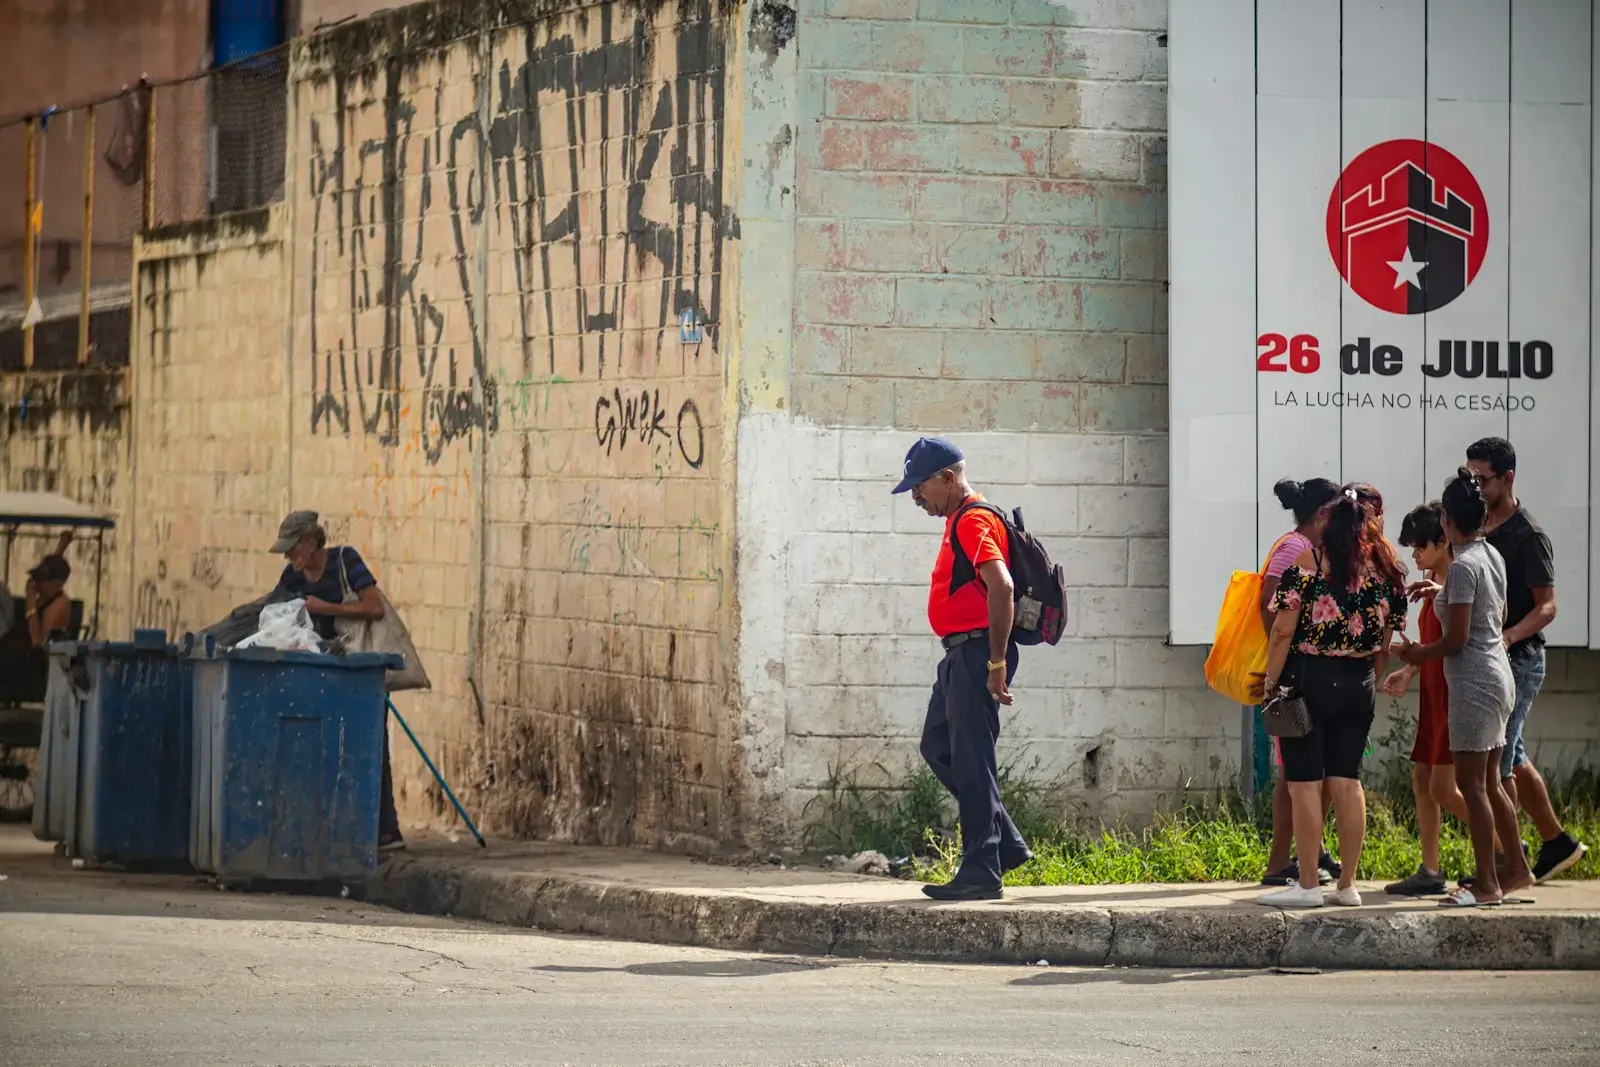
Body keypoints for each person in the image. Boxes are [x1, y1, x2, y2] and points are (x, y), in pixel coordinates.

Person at [1251, 486, 1408, 908]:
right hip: (1359, 685)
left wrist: (1271, 682)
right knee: (1347, 781)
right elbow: (1384, 640)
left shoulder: (1309, 564)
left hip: (1309, 679)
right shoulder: (1384, 572)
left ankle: (1307, 885)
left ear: (1329, 524)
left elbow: (1283, 630)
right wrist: (1371, 677)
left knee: (1304, 784)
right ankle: (1348, 886)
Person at [892, 437, 1030, 901]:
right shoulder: (959, 520)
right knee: (938, 745)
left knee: (972, 760)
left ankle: (981, 871)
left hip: (977, 654)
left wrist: (995, 663)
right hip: (960, 653)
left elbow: (1002, 587)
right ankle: (1004, 843)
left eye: (920, 488)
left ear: (948, 478)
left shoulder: (972, 521)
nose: (916, 498)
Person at [1395, 469, 1534, 906]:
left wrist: (1417, 654)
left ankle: (1488, 884)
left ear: (1449, 522)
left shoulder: (1462, 567)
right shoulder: (1489, 556)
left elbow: (1455, 640)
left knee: (1474, 787)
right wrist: (1441, 590)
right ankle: (1518, 870)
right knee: (1490, 783)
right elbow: (1497, 610)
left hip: (1473, 683)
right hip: (1499, 674)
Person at [1466, 437, 1587, 882]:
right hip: (1494, 658)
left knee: (1496, 762)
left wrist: (1510, 635)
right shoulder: (1480, 525)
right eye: (1469, 478)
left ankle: (1508, 866)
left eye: (1481, 480)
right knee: (1512, 754)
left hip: (1519, 660)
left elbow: (1548, 606)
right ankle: (1556, 842)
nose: (1475, 488)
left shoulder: (1528, 535)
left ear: (1508, 477)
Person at [267, 510, 405, 852]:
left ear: (311, 542)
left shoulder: (345, 560)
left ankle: (386, 831)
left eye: (293, 548)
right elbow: (275, 617)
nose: (289, 556)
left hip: (356, 668)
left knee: (371, 745)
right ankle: (335, 829)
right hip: (318, 673)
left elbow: (374, 609)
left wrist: (325, 607)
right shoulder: (291, 577)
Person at [1381, 503, 1471, 895]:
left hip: (1453, 692)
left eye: (1420, 546)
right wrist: (1410, 667)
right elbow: (1434, 643)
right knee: (1422, 779)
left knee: (1443, 787)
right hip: (1433, 692)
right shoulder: (1433, 578)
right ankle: (1430, 869)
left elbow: (1461, 641)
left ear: (1442, 542)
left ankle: (1506, 847)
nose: (1414, 554)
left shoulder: (1460, 580)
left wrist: (1417, 656)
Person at [1259, 477, 1341, 888]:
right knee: (1293, 772)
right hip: (1293, 677)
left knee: (1310, 771)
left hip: (1302, 673)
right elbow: (1270, 608)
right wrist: (1286, 665)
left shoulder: (1309, 549)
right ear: (1323, 513)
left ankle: (1312, 851)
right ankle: (1278, 863)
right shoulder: (1294, 548)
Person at [0, 531, 75, 703]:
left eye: (43, 581)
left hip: (25, 658)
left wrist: (31, 607)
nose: (38, 585)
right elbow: (55, 566)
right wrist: (62, 546)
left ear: (57, 584)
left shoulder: (60, 605)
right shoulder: (46, 595)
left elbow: (38, 643)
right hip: (12, 644)